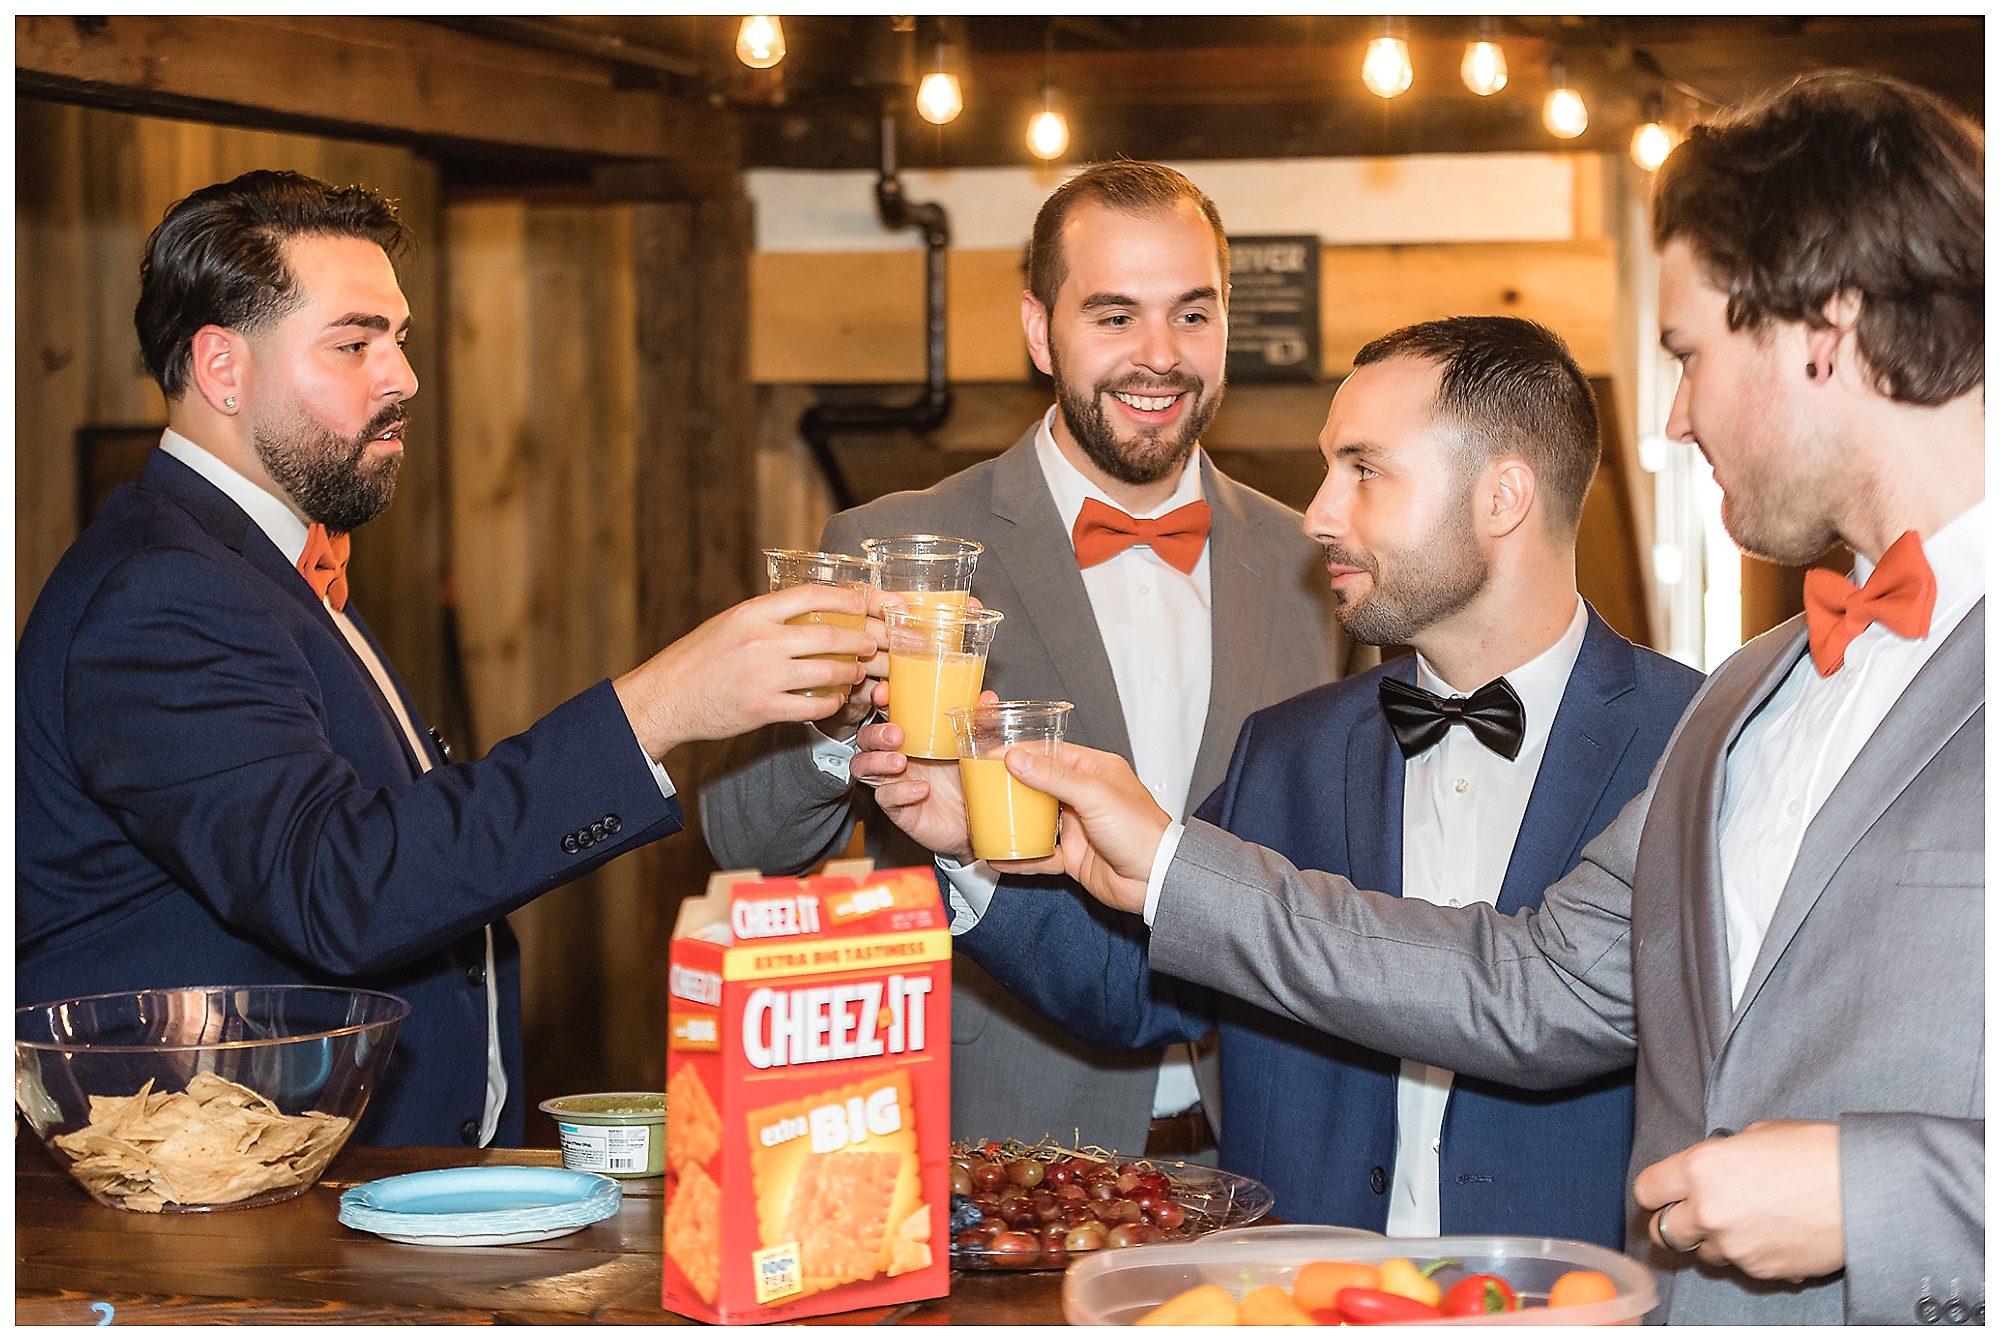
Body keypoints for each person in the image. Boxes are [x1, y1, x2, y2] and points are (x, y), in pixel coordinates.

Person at [969, 72, 1983, 1325]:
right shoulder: (1749, 701)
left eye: (1687, 354)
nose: (1668, 418)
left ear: (1819, 326)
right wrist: (1170, 862)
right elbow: (1524, 987)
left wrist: (1875, 1190)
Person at [16, 170, 875, 1149]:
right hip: (211, 1211)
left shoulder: (259, 562)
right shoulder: (163, 593)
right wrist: (655, 707)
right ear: (223, 369)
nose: (403, 376)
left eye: (400, 337)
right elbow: (336, 887)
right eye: (353, 343)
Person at [871, 317, 1702, 1245]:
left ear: (1502, 495)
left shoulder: (1695, 745)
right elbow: (1135, 990)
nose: (1317, 513)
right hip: (1295, 1292)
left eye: (1364, 470)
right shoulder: (1288, 746)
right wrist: (970, 848)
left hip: (1572, 1303)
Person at [699, 161, 1364, 1156]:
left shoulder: (1314, 563)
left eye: (1192, 314)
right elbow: (738, 835)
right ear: (1036, 332)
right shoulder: (889, 545)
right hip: (995, 1143)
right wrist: (840, 725)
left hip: (1267, 1135)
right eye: (1112, 317)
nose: (1159, 357)